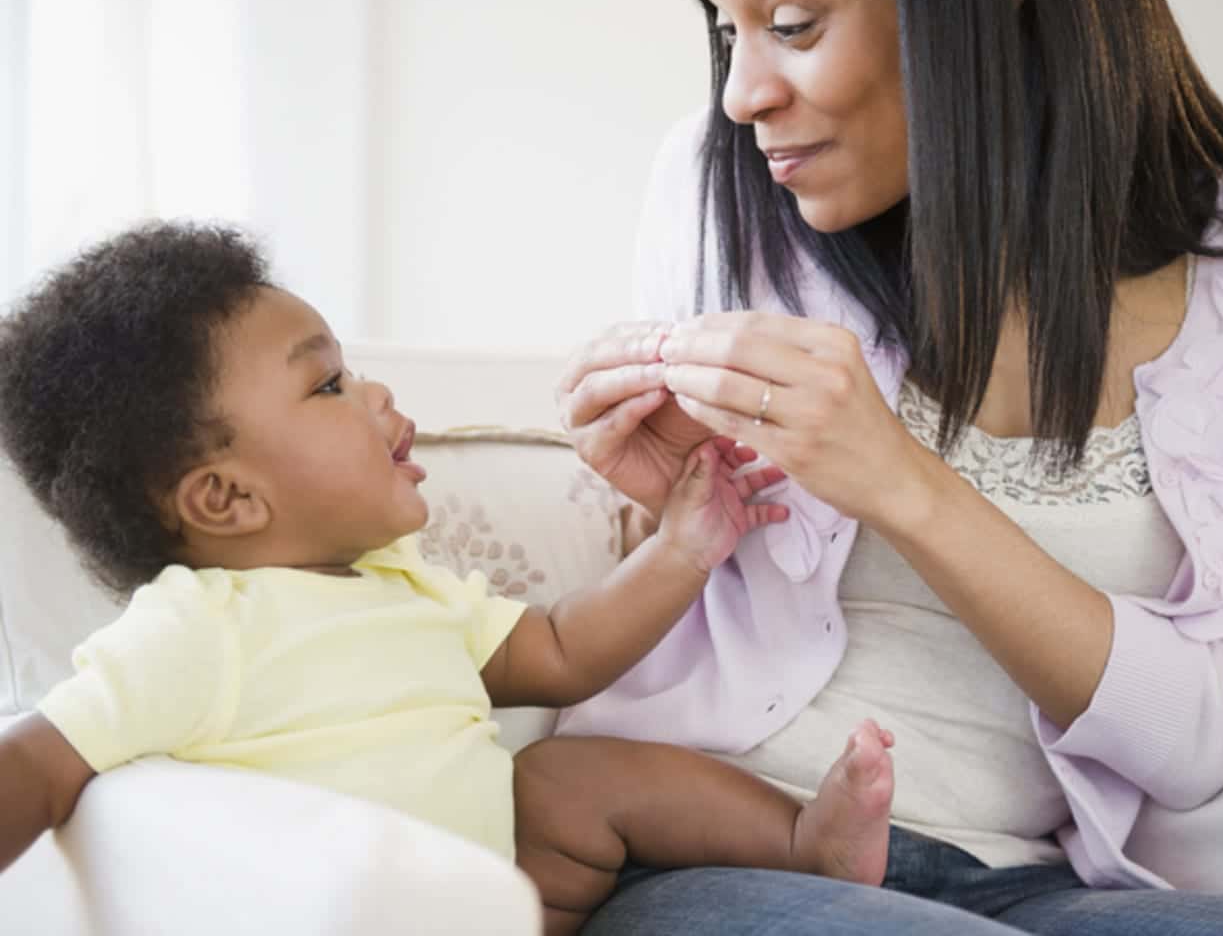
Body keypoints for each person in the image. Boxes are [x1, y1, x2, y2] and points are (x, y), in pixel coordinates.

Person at [554, 0, 1223, 933]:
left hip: (1040, 880)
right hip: (710, 848)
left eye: (790, 22)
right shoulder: (714, 186)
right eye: (728, 32)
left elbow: (1205, 736)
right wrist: (672, 519)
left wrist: (904, 484)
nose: (743, 95)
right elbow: (642, 637)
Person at [0, 222, 902, 936]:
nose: (377, 395)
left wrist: (682, 549)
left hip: (501, 903)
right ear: (228, 496)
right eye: (328, 387)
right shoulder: (200, 627)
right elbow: (36, 762)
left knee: (562, 781)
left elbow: (558, 652)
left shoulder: (402, 584)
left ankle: (801, 843)